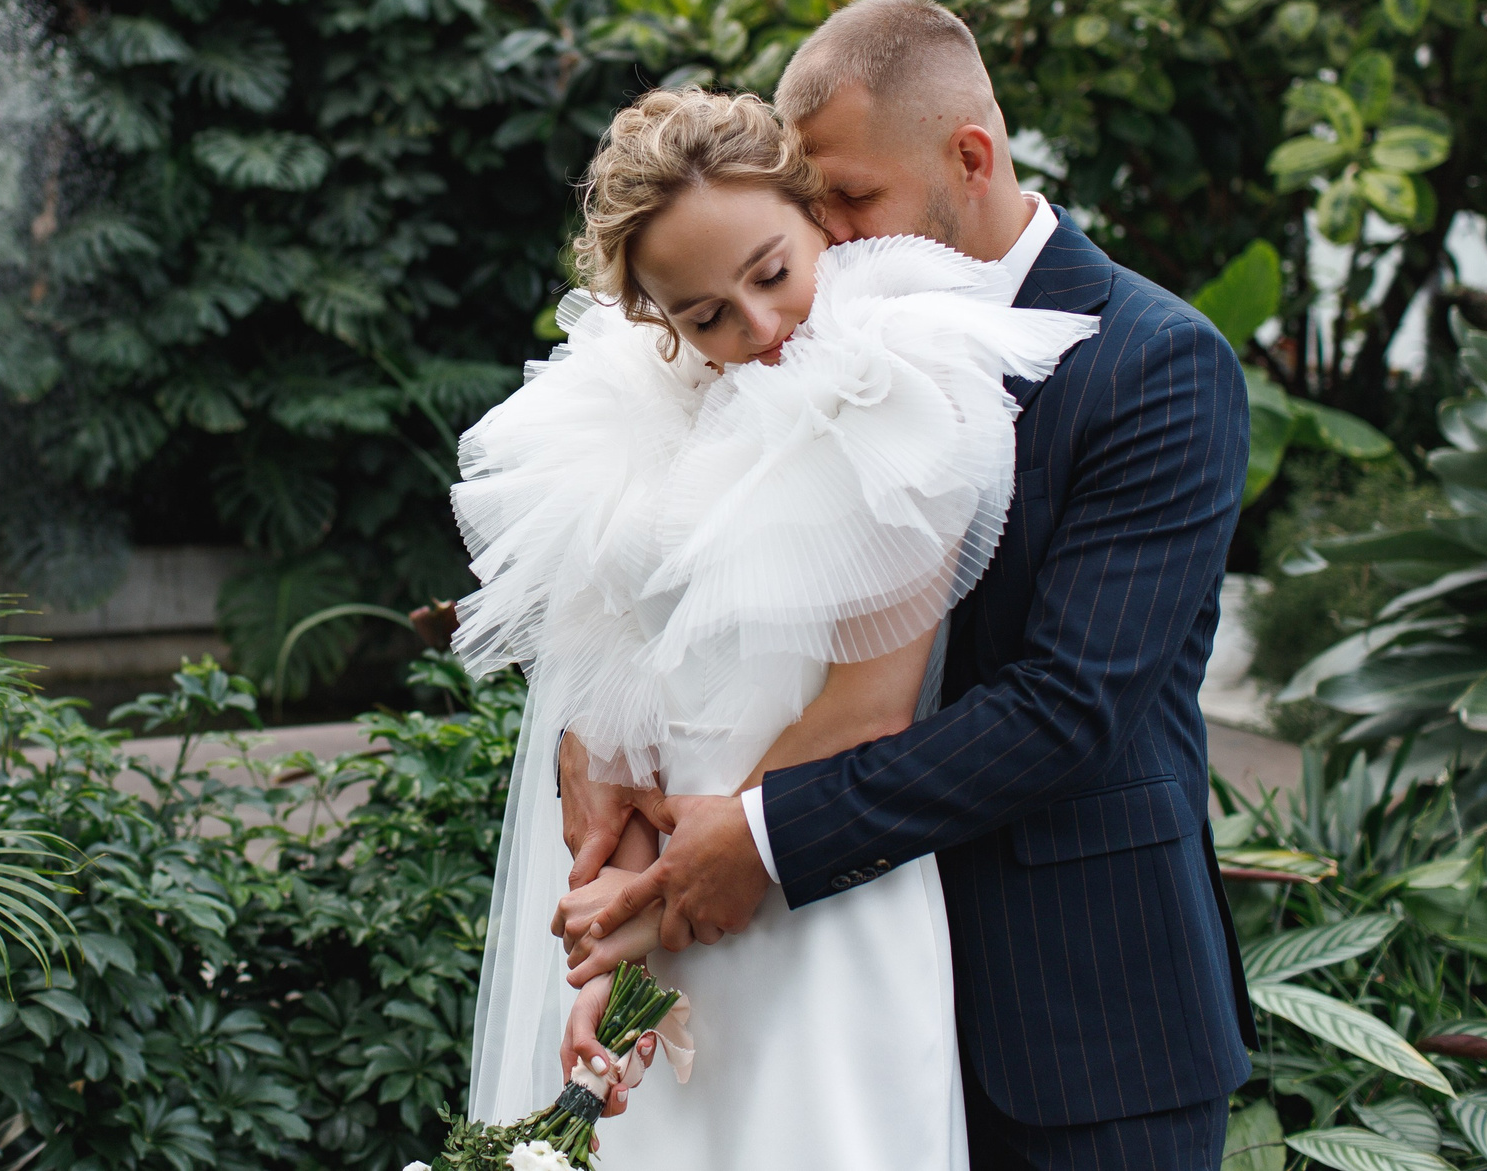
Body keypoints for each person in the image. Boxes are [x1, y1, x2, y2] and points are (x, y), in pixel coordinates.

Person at [568, 0, 1257, 1170]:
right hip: (834, 999)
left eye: (846, 197)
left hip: (1081, 1014)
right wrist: (598, 745)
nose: (824, 234)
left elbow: (1067, 705)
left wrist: (757, 838)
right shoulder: (786, 347)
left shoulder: (1154, 362)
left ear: (969, 159)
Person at [453, 84, 1100, 1169]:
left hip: (818, 891)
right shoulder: (624, 417)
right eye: (704, 315)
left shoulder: (900, 382)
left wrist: (658, 898)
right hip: (659, 907)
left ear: (819, 221)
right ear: (656, 319)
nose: (758, 330)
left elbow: (867, 709)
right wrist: (610, 958)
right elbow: (625, 714)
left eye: (771, 273)